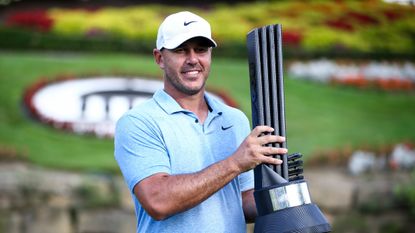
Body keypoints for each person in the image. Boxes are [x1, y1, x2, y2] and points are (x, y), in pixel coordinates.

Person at [114, 11, 287, 233]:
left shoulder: (234, 119)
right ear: (159, 58)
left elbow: (240, 202)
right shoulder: (138, 122)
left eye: (201, 50)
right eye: (181, 50)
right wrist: (235, 163)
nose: (193, 59)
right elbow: (158, 201)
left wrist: (284, 194)